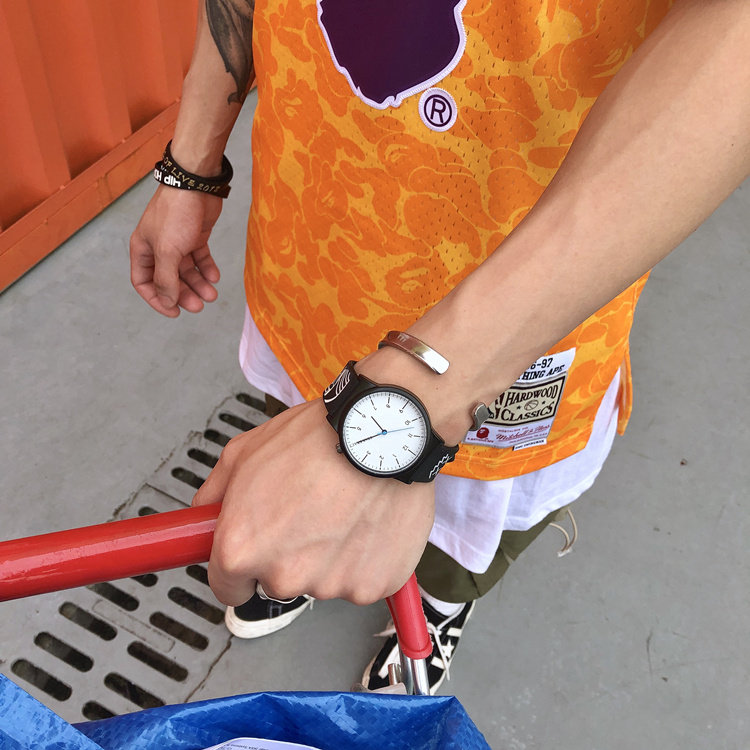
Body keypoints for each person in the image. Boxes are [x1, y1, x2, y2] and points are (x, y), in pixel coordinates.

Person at [130, 0, 750, 694]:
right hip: (316, 228)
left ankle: (439, 605)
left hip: (525, 289)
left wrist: (404, 411)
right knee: (297, 419)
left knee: (476, 519)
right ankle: (307, 559)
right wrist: (190, 163)